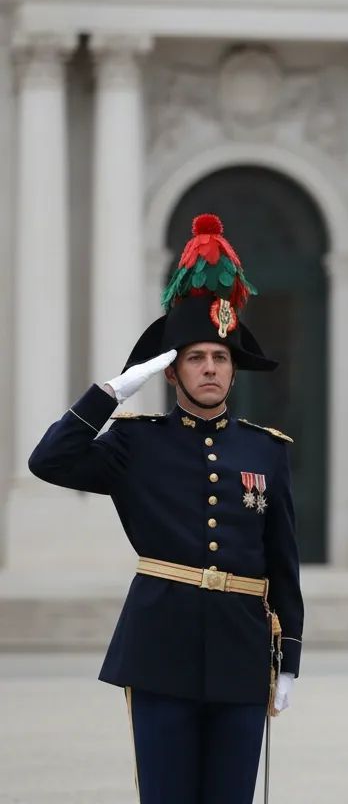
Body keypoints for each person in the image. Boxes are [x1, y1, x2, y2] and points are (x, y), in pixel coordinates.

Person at [28, 213, 303, 804]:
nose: (210, 368)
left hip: (240, 649)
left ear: (234, 371)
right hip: (161, 646)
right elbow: (48, 461)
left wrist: (292, 657)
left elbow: (283, 561)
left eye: (221, 358)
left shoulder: (266, 450)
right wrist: (111, 392)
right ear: (173, 370)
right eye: (197, 357)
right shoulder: (136, 442)